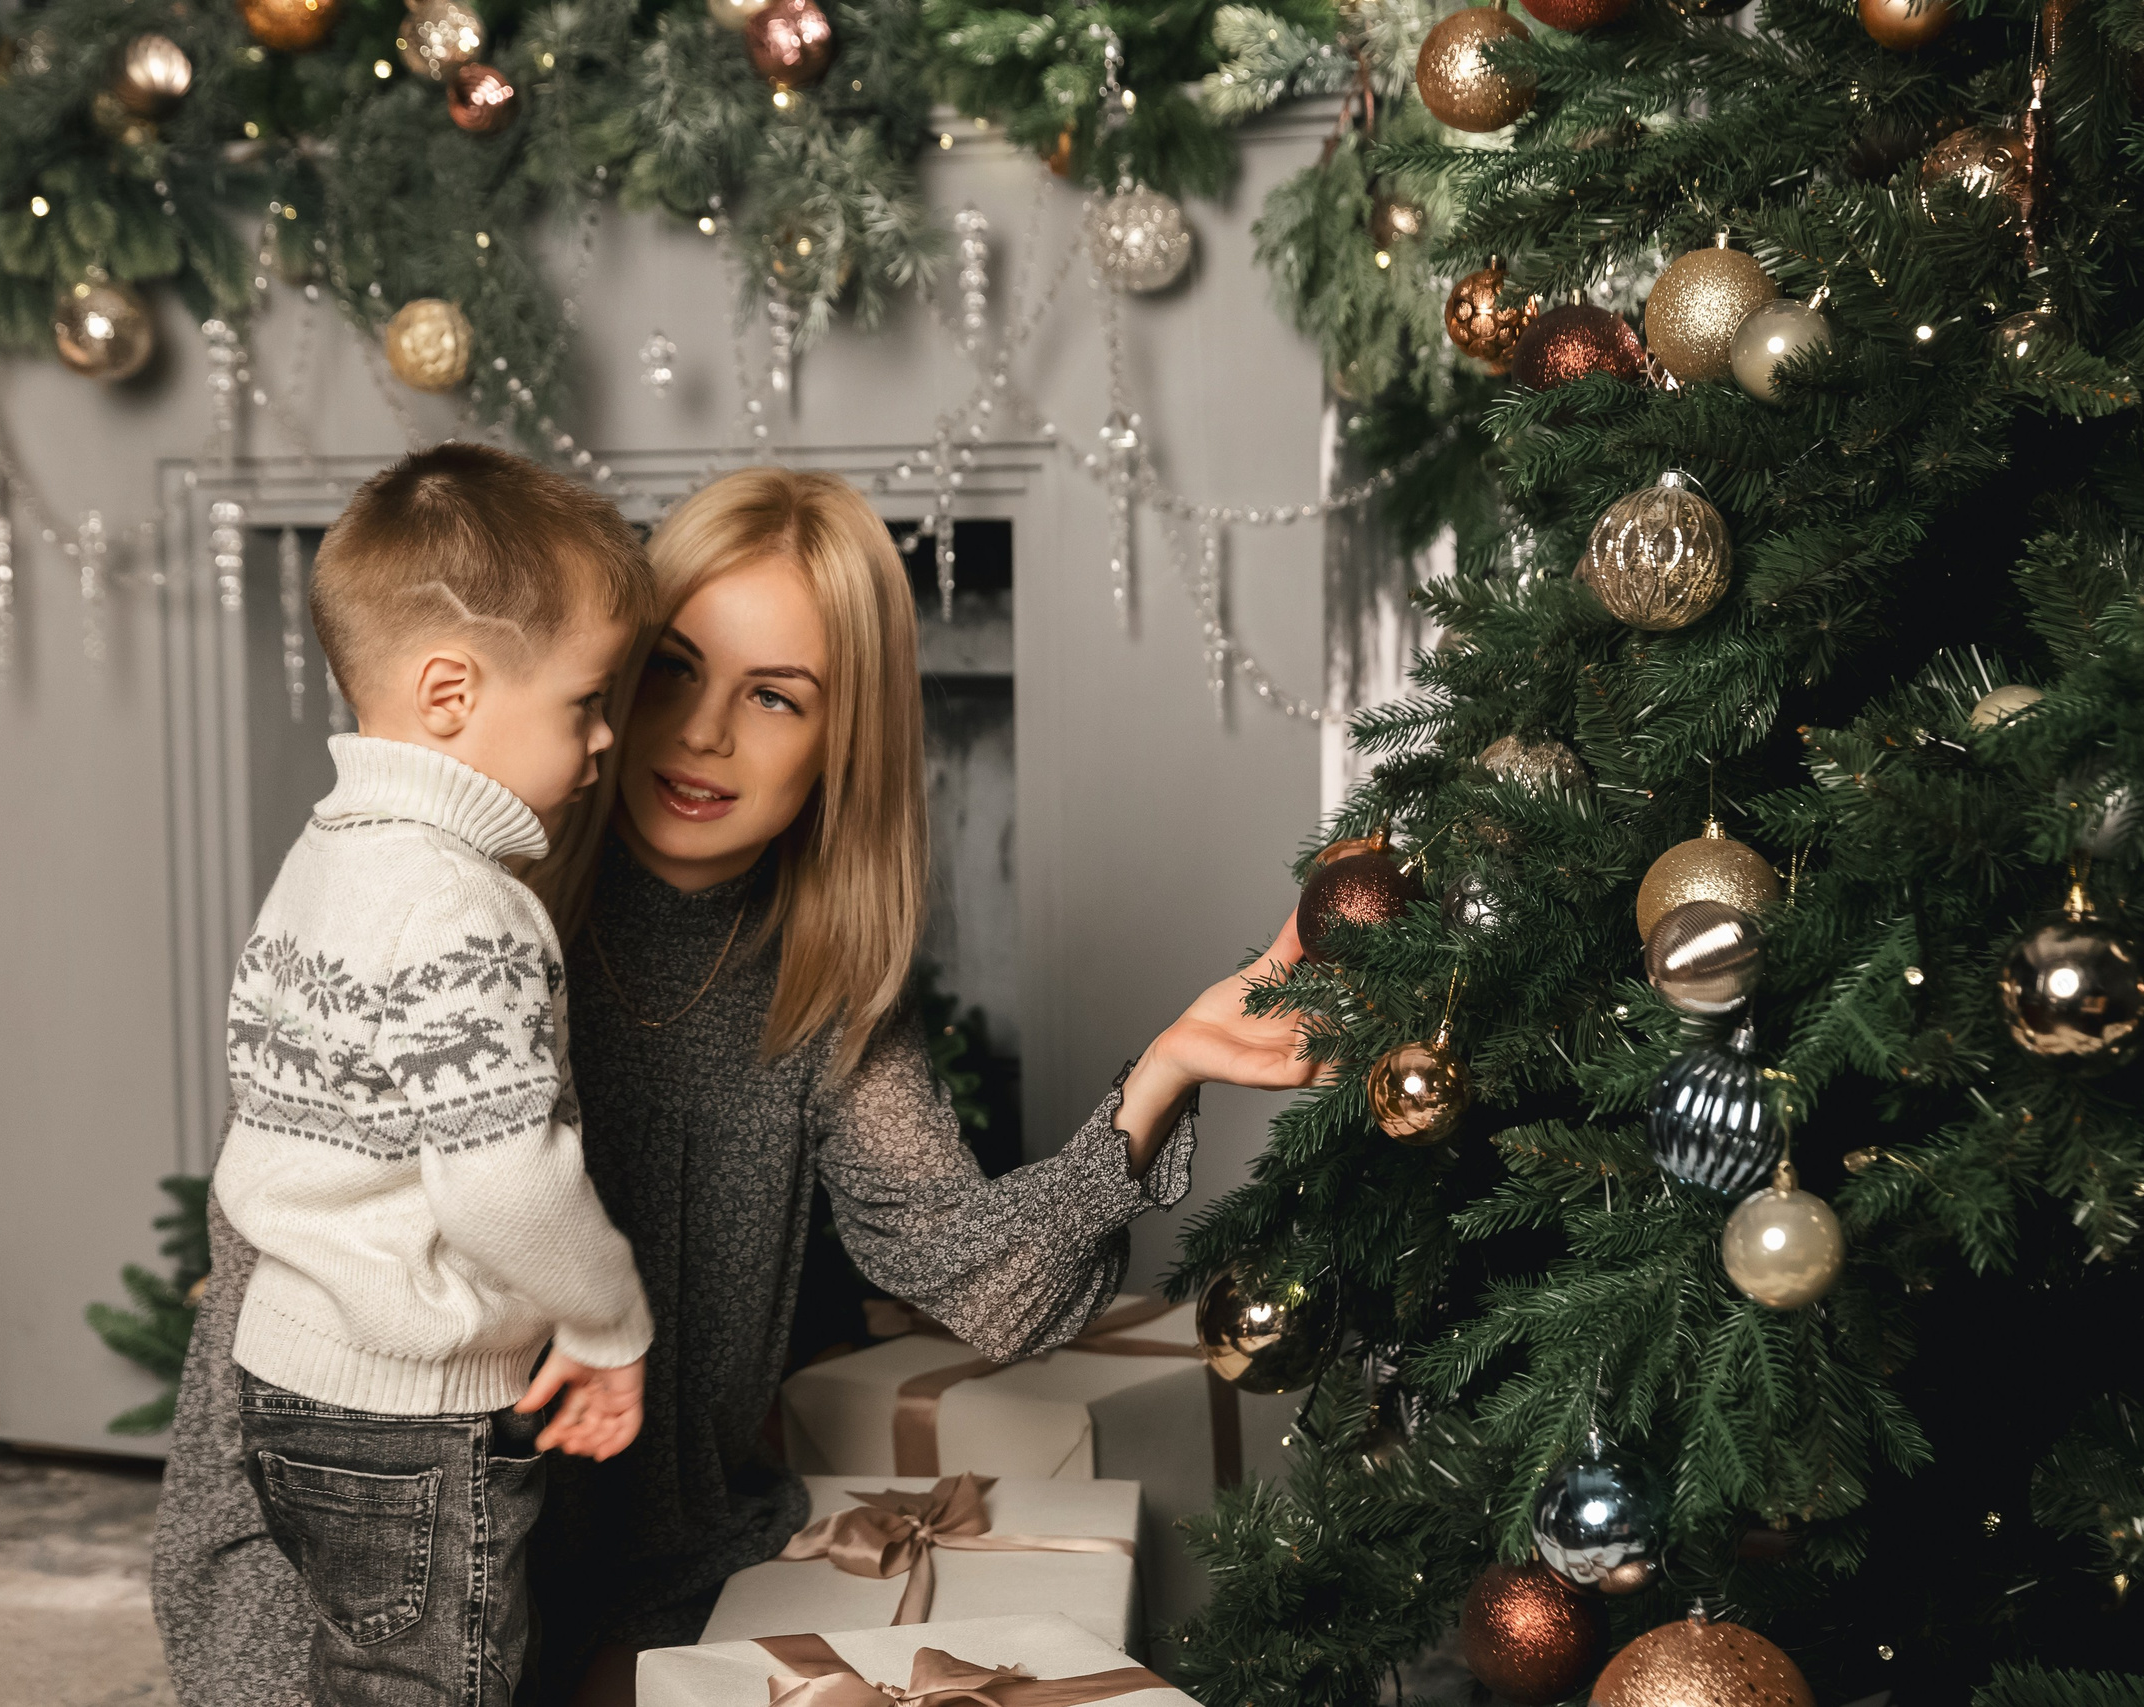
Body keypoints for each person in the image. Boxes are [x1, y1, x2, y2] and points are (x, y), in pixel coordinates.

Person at [153, 465, 1314, 1707]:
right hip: (345, 1544)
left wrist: (1166, 1072)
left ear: (839, 741)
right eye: (668, 669)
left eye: (773, 697)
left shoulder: (823, 990)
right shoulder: (458, 913)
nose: (704, 732)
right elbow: (277, 1276)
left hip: (635, 1574)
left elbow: (990, 1287)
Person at [205, 443, 660, 1707]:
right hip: (410, 1413)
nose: (607, 736)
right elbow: (503, 1190)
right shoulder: (466, 910)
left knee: (361, 1668)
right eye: (584, 701)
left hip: (285, 1378)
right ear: (451, 692)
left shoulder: (328, 853)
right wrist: (610, 1322)